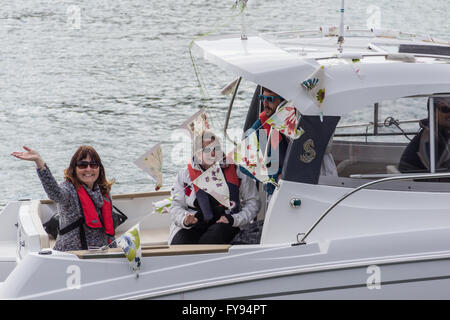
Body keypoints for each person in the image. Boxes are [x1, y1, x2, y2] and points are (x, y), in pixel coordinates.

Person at [11, 145, 120, 251]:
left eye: (93, 165)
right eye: (83, 165)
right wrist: (39, 163)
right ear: (74, 169)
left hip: (102, 252)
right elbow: (55, 193)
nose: (88, 169)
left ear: (99, 168)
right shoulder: (69, 189)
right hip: (72, 255)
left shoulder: (104, 190)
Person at [168, 131, 261, 245]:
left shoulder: (238, 172)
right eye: (207, 150)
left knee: (211, 240)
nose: (212, 153)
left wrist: (234, 220)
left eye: (216, 148)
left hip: (226, 222)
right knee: (180, 243)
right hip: (194, 223)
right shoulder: (184, 175)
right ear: (197, 154)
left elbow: (253, 202)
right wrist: (185, 219)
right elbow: (175, 206)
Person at [244, 87, 289, 195]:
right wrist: (275, 176)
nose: (265, 103)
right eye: (262, 98)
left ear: (283, 101)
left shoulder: (297, 120)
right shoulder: (261, 126)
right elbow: (244, 163)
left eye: (270, 99)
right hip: (277, 190)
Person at [399, 97, 450, 173]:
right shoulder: (429, 139)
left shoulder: (443, 133)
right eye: (446, 109)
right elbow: (437, 174)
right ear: (433, 112)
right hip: (418, 182)